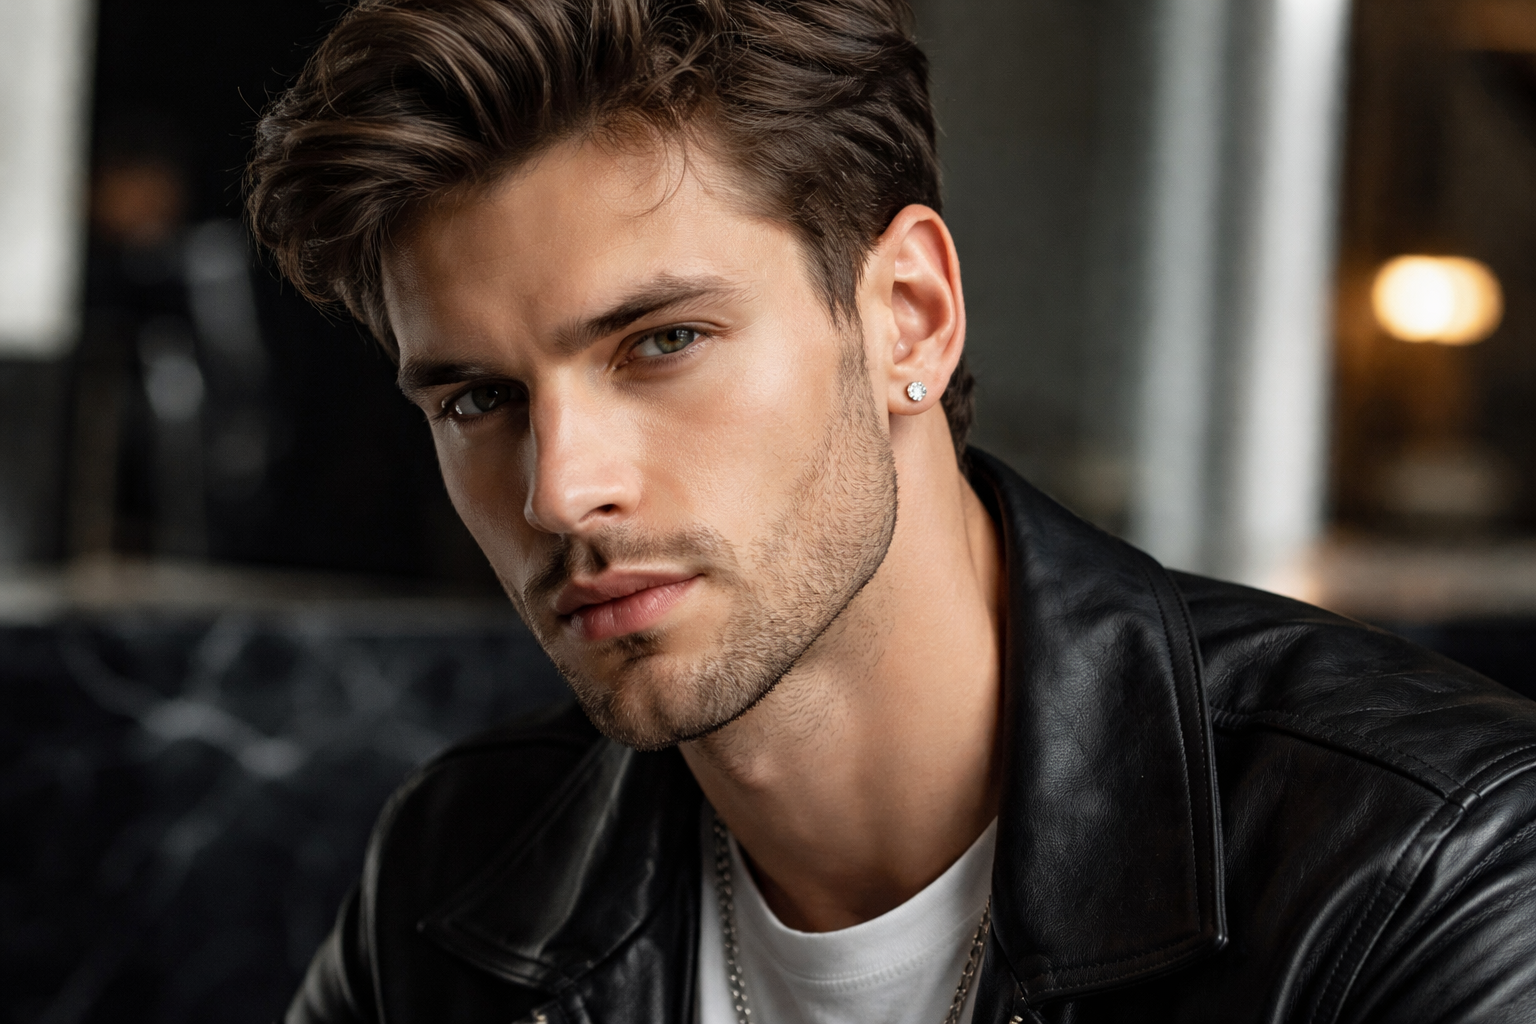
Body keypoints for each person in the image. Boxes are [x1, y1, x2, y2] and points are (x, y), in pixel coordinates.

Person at [246, 1, 1536, 1021]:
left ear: (905, 315)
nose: (561, 487)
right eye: (478, 400)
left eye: (662, 341)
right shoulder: (462, 876)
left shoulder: (1426, 864)